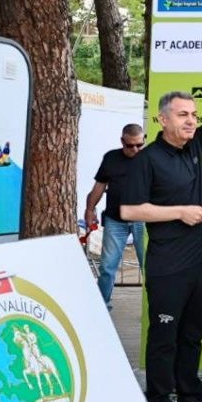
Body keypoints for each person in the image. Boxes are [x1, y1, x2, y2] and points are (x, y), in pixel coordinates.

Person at [120, 46, 202, 402]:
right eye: (182, 115)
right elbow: (129, 210)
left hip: (201, 258)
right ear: (162, 119)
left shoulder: (195, 146)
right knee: (164, 338)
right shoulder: (146, 160)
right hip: (168, 265)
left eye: (193, 115)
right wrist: (179, 212)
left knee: (192, 335)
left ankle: (191, 400)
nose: (191, 121)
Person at [84, 123, 147, 311]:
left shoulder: (150, 158)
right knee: (107, 266)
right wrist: (89, 210)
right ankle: (101, 308)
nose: (135, 149)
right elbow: (99, 187)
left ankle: (156, 307)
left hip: (143, 219)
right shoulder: (111, 158)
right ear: (122, 141)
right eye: (130, 145)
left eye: (139, 145)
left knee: (149, 266)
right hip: (115, 220)